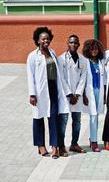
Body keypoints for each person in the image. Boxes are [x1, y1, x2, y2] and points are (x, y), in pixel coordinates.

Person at [27, 26, 69, 159]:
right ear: (38, 41)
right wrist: (32, 94)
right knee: (38, 118)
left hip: (53, 89)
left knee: (53, 118)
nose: (46, 41)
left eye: (48, 38)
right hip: (40, 91)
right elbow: (30, 76)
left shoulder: (52, 52)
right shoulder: (33, 56)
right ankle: (40, 145)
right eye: (43, 39)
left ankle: (55, 146)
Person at [57, 35, 87, 156]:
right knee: (63, 121)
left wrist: (78, 94)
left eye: (76, 43)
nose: (73, 45)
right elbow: (62, 78)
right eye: (71, 43)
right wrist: (70, 94)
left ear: (79, 44)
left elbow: (83, 77)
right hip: (66, 96)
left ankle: (74, 144)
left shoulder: (82, 59)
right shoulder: (61, 59)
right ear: (67, 44)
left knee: (77, 121)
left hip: (77, 96)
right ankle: (61, 146)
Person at [82, 39, 106, 152]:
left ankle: (93, 138)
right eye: (92, 49)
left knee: (96, 116)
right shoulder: (85, 62)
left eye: (96, 49)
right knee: (93, 116)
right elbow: (82, 80)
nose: (94, 51)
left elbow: (104, 79)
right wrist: (83, 95)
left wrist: (105, 94)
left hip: (99, 91)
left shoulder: (101, 61)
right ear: (88, 50)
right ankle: (94, 142)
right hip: (89, 92)